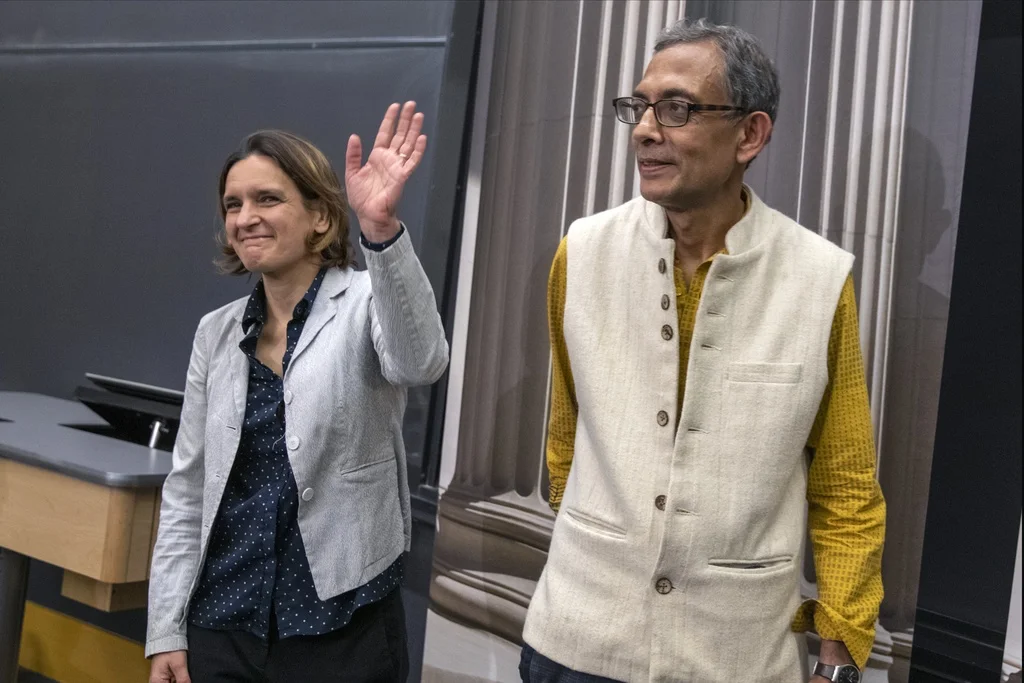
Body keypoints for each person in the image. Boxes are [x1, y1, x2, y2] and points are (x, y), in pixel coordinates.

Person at [521, 18, 885, 683]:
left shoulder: (817, 278)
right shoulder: (584, 251)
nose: (645, 129)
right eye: (640, 106)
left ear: (750, 133)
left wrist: (839, 658)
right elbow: (566, 436)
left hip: (735, 656)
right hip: (577, 644)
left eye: (678, 108)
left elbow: (846, 485)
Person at [146, 103, 449, 683]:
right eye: (233, 205)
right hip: (224, 620)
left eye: (267, 199)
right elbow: (188, 488)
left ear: (320, 216)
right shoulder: (217, 331)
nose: (245, 218)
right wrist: (167, 628)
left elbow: (421, 362)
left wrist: (381, 231)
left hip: (341, 624)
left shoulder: (366, 300)